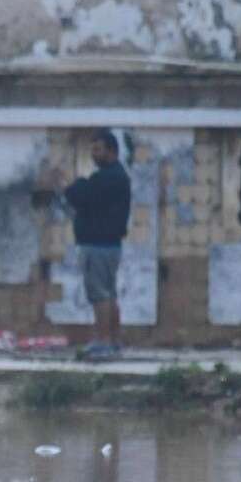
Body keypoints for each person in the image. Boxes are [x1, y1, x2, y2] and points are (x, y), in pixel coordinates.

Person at [61, 129, 132, 359]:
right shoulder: (115, 176)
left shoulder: (108, 178)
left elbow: (80, 195)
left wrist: (70, 184)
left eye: (97, 149)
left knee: (100, 295)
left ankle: (104, 341)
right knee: (109, 294)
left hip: (98, 246)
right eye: (92, 149)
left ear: (111, 151)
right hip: (108, 245)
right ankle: (114, 340)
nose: (93, 154)